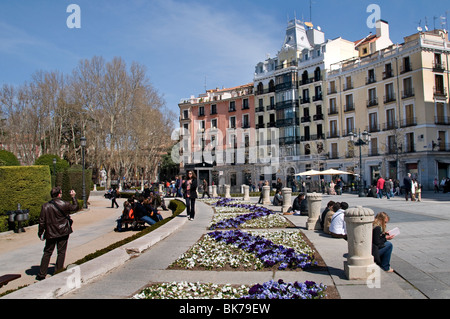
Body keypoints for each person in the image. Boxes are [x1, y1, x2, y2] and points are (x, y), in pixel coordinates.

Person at [36, 187, 79, 280]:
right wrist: (73, 197)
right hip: (63, 231)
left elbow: (41, 221)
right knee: (61, 252)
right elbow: (75, 207)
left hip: (50, 232)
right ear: (59, 194)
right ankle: (58, 271)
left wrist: (40, 232)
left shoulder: (45, 206)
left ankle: (42, 274)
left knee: (47, 252)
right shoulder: (65, 204)